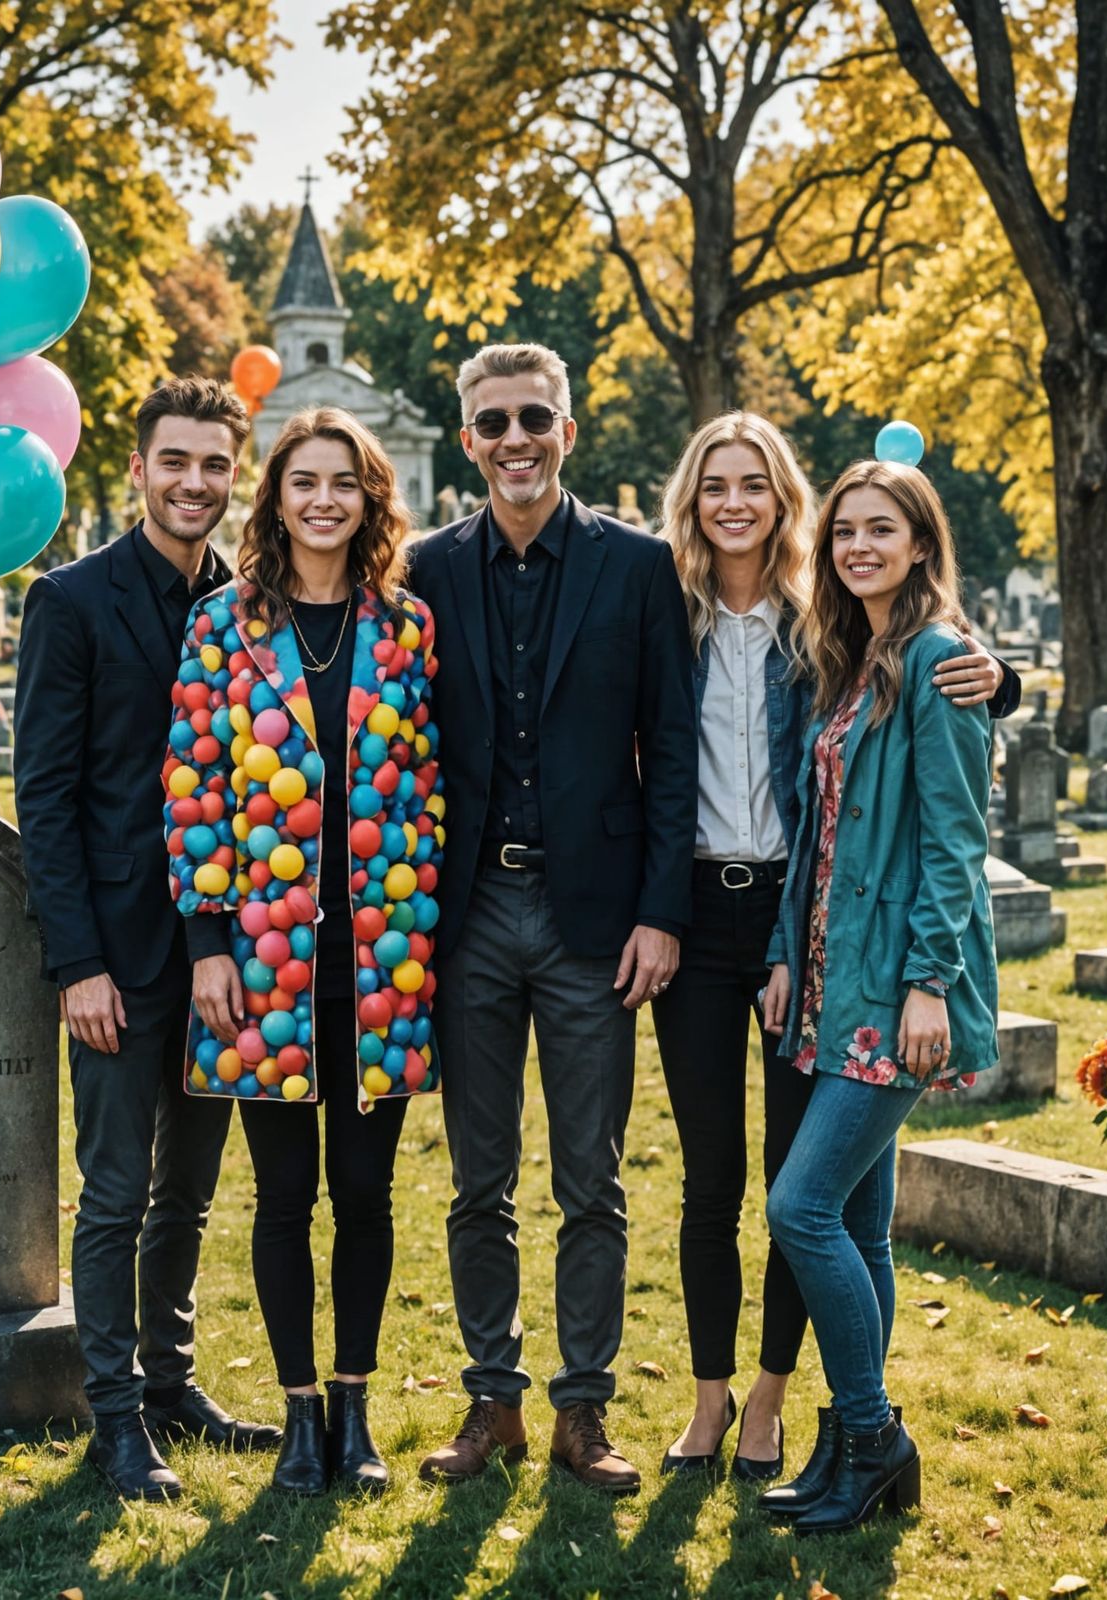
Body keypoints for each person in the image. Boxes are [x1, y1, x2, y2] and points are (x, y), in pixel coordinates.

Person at [650, 416, 1016, 1479]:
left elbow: (950, 814)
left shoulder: (869, 643)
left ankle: (825, 1418)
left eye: (754, 483)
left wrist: (999, 680)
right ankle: (785, 1416)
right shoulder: (708, 622)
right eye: (713, 481)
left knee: (798, 1194)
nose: (733, 501)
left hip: (847, 951)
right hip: (758, 939)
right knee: (787, 1201)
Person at [406, 343, 696, 1496]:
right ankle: (492, 1401)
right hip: (467, 914)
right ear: (467, 438)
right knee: (478, 1178)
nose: (514, 439)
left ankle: (584, 1410)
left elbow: (669, 748)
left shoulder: (637, 566)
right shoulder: (425, 568)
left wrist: (661, 913)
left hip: (595, 921)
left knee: (592, 1180)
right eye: (492, 423)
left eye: (534, 417)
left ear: (566, 430)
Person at [163, 407, 443, 1496]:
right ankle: (295, 1416)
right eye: (302, 482)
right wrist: (207, 943)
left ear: (370, 498)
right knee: (282, 1200)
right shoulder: (222, 627)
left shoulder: (408, 628)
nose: (322, 500)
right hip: (262, 965)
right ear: (273, 498)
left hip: (383, 967)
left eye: (343, 483)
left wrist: (424, 929)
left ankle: (356, 1411)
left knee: (366, 1198)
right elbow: (194, 787)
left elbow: (429, 787)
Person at [15, 376, 281, 1502]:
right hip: (117, 956)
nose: (196, 483)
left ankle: (172, 1382)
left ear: (236, 474)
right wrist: (75, 962)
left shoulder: (249, 598)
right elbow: (46, 792)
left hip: (227, 950)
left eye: (217, 465)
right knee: (117, 1187)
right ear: (138, 468)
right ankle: (115, 1416)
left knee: (190, 1191)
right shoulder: (71, 601)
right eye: (177, 461)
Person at [757, 458, 1000, 1532]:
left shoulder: (941, 664)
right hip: (825, 972)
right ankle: (851, 1445)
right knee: (860, 1229)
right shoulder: (851, 661)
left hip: (892, 988)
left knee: (798, 1208)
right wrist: (778, 951)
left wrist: (927, 986)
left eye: (881, 529)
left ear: (919, 544)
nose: (857, 545)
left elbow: (956, 845)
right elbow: (809, 840)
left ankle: (871, 1433)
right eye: (843, 528)